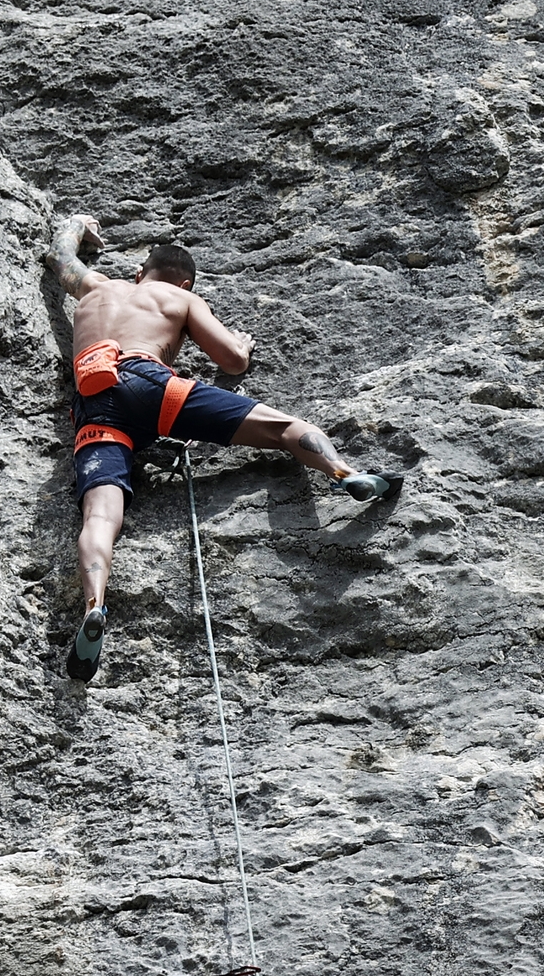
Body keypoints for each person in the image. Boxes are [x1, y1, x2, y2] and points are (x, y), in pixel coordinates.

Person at [47, 214, 396, 681]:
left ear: (138, 272)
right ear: (185, 280)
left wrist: (77, 224)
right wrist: (243, 346)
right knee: (284, 428)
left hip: (94, 400)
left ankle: (95, 605)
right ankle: (344, 473)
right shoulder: (181, 297)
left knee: (100, 516)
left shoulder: (95, 288)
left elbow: (60, 257)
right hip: (154, 388)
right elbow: (231, 360)